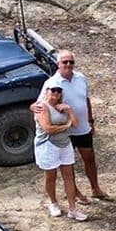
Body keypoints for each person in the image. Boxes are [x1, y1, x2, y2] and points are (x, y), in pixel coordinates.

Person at [35, 50, 108, 202]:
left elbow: (86, 100)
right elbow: (39, 104)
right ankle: (76, 193)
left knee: (90, 158)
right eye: (65, 62)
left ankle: (95, 188)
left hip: (82, 128)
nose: (68, 65)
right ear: (58, 64)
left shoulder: (81, 78)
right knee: (68, 165)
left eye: (71, 62)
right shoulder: (52, 84)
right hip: (65, 131)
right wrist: (32, 109)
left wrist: (91, 120)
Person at [34, 82, 87, 221]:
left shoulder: (62, 106)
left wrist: (69, 110)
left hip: (64, 144)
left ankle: (72, 208)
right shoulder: (41, 107)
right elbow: (48, 128)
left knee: (69, 176)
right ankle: (53, 202)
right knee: (51, 176)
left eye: (58, 91)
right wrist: (66, 126)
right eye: (53, 91)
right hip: (48, 145)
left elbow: (76, 124)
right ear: (47, 91)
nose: (56, 94)